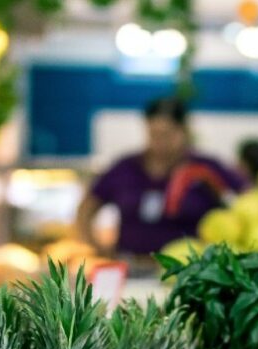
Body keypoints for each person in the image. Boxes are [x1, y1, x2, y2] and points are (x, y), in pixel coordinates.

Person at [75, 97, 248, 256]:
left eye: (167, 135)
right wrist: (97, 248)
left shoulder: (205, 169)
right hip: (131, 267)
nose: (159, 142)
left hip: (190, 272)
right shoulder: (125, 168)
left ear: (184, 131)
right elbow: (86, 208)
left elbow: (247, 199)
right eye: (153, 134)